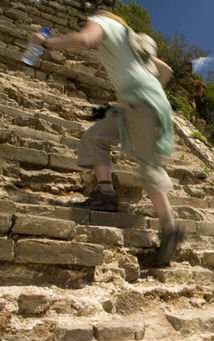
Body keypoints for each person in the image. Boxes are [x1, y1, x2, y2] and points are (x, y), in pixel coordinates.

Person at [28, 10, 185, 266]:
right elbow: (165, 70)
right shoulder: (130, 38)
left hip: (139, 100)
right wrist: (152, 90)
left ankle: (170, 229)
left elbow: (85, 40)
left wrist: (44, 42)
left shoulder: (101, 21)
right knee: (96, 136)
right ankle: (105, 195)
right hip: (142, 101)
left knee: (147, 162)